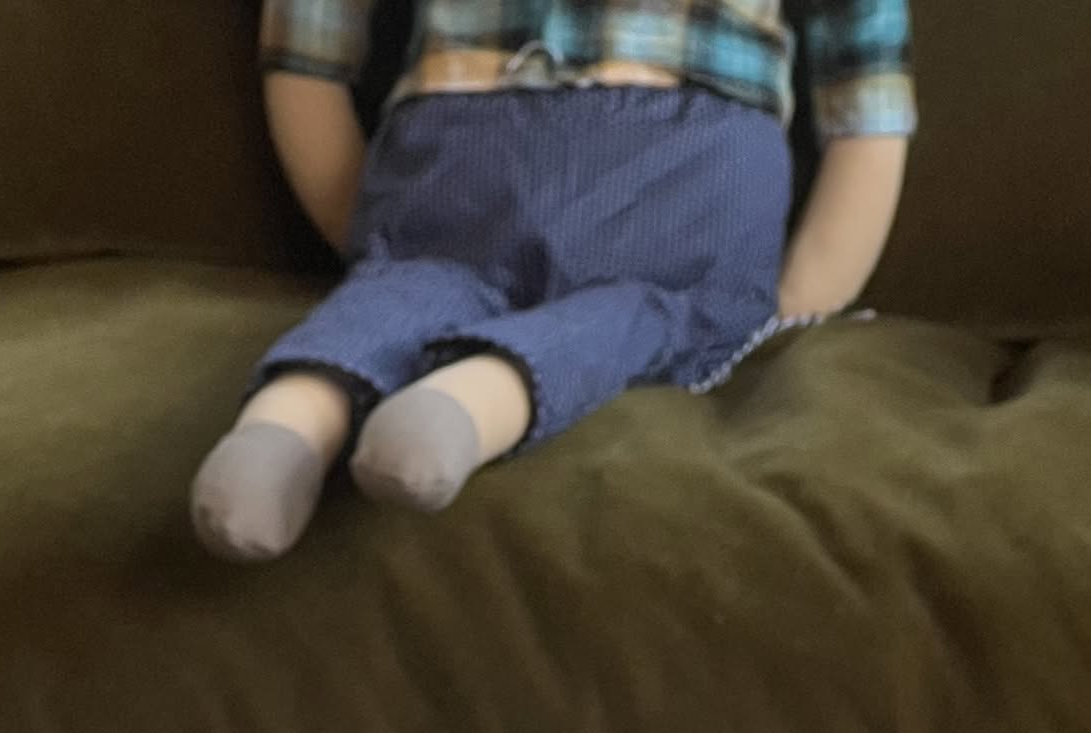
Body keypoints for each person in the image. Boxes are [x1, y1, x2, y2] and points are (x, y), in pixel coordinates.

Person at [192, 0, 915, 563]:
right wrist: (805, 291)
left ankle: (288, 424)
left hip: (462, 148)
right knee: (648, 313)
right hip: (689, 172)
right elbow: (864, 73)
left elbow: (308, 49)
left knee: (414, 285)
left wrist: (364, 233)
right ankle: (463, 406)